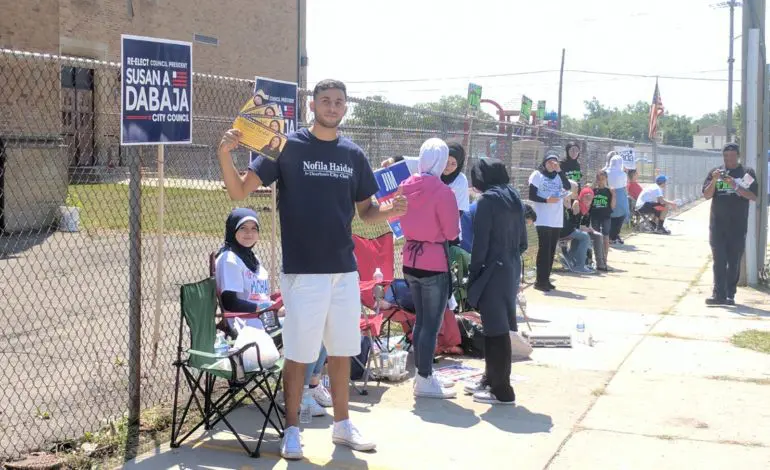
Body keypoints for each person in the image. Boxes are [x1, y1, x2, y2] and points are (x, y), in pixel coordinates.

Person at [217, 79, 407, 460]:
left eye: (338, 102)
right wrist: (225, 152)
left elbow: (365, 211)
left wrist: (390, 211)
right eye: (325, 101)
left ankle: (342, 425)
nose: (332, 107)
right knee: (300, 354)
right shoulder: (286, 147)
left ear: (346, 108)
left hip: (344, 270)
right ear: (312, 106)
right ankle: (291, 430)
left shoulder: (353, 154)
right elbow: (239, 191)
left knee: (340, 352)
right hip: (303, 271)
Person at [215, 208, 331, 418]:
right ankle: (297, 396)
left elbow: (259, 296)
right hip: (246, 325)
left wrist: (278, 307)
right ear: (232, 231)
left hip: (264, 318)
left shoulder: (251, 257)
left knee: (320, 325)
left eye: (253, 228)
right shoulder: (229, 258)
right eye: (243, 228)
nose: (249, 233)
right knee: (309, 330)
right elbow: (230, 302)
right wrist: (268, 309)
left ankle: (311, 386)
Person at [399, 138, 460, 399]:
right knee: (430, 323)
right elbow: (451, 232)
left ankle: (424, 374)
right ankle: (424, 377)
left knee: (421, 320)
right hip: (434, 261)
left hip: (410, 259)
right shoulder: (443, 191)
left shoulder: (406, 185)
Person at [463, 158, 526, 405]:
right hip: (510, 266)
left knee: (496, 330)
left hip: (492, 269)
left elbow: (480, 245)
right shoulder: (513, 197)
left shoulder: (487, 201)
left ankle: (502, 390)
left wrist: (475, 274)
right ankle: (490, 378)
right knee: (495, 326)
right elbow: (524, 242)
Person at [703, 143, 758, 305]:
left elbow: (752, 196)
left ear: (738, 156)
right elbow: (706, 195)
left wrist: (733, 184)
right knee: (718, 261)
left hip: (737, 225)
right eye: (726, 157)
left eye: (732, 156)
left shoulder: (747, 173)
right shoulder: (716, 172)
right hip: (717, 225)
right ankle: (718, 294)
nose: (729, 160)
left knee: (733, 261)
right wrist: (714, 180)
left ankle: (729, 294)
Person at [528, 150, 570, 292]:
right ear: (544, 162)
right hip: (543, 218)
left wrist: (560, 171)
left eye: (554, 162)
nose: (552, 165)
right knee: (544, 250)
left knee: (551, 250)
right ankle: (540, 281)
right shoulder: (537, 175)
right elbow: (532, 195)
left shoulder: (558, 176)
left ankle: (546, 279)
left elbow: (567, 187)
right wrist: (546, 200)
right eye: (549, 162)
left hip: (556, 219)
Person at [559, 181, 595, 274]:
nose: (577, 193)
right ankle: (580, 266)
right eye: (575, 191)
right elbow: (571, 221)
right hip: (562, 230)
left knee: (580, 236)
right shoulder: (572, 202)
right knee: (585, 236)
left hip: (567, 228)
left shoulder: (570, 201)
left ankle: (568, 259)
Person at [590, 170, 615, 272]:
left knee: (605, 236)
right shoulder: (593, 190)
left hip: (605, 216)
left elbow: (613, 206)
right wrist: (592, 186)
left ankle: (604, 259)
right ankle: (597, 259)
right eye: (599, 179)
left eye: (603, 179)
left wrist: (614, 195)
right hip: (595, 215)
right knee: (596, 237)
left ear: (606, 179)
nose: (600, 181)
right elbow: (587, 197)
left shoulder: (609, 191)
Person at [576, 187, 607, 270]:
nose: (588, 200)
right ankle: (586, 261)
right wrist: (585, 228)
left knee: (598, 235)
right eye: (586, 198)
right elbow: (575, 224)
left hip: (584, 229)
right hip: (575, 230)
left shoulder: (589, 209)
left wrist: (591, 229)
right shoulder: (577, 205)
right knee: (586, 236)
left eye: (590, 199)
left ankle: (600, 263)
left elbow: (587, 224)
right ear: (581, 197)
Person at [605, 152, 630, 245]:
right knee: (621, 216)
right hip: (619, 195)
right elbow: (624, 186)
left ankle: (611, 236)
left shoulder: (606, 171)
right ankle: (614, 236)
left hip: (608, 193)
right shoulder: (622, 174)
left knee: (610, 216)